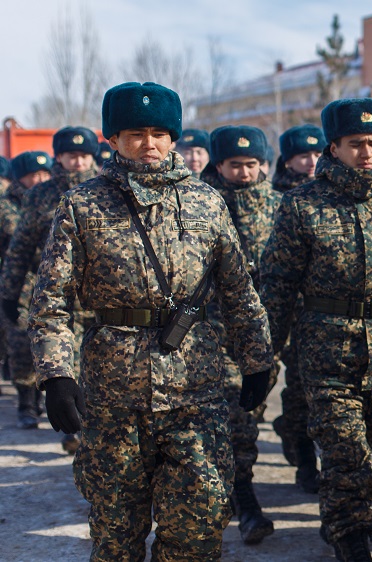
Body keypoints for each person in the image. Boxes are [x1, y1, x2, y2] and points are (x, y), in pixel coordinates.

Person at [27, 81, 273, 561]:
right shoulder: (82, 206)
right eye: (136, 132)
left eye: (160, 132)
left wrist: (257, 359)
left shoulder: (206, 203)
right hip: (113, 396)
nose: (150, 143)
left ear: (174, 138)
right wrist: (57, 374)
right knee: (116, 536)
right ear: (112, 139)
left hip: (194, 391)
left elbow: (239, 291)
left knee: (199, 528)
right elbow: (53, 301)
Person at [259, 97, 372, 560]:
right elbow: (278, 283)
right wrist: (261, 355)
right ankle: (350, 539)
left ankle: (352, 513)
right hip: (327, 350)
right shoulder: (302, 206)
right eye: (355, 144)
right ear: (333, 147)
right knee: (345, 453)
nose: (367, 153)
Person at [200, 124, 282, 545]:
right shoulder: (200, 205)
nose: (246, 172)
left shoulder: (280, 206)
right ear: (219, 165)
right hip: (212, 333)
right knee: (237, 419)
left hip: (264, 331)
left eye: (253, 164)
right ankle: (245, 500)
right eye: (236, 164)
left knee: (251, 412)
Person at [0, 128, 99, 447]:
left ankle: (89, 425)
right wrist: (9, 293)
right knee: (63, 358)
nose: (79, 162)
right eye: (72, 156)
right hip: (53, 293)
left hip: (99, 295)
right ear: (59, 157)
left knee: (96, 362)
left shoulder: (106, 189)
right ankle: (72, 425)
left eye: (85, 156)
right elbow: (20, 247)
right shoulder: (41, 196)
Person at [268, 123, 326, 495]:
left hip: (321, 315)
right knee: (298, 391)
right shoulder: (279, 200)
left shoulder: (328, 195)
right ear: (287, 160)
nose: (311, 161)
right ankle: (304, 457)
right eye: (302, 155)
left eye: (317, 153)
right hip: (290, 311)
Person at [0, 150, 53, 429]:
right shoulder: (6, 205)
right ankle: (26, 403)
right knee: (21, 345)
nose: (39, 178)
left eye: (44, 173)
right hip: (21, 283)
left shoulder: (56, 199)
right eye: (32, 174)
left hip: (52, 281)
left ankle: (50, 399)